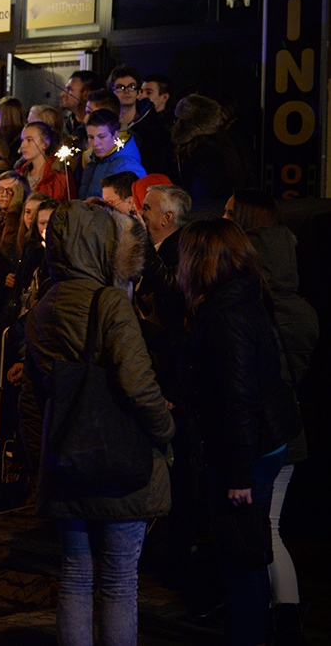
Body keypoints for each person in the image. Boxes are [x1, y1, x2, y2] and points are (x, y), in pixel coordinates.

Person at [25, 201, 174, 646]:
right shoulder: (108, 301)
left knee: (74, 576)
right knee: (119, 581)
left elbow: (33, 395)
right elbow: (138, 382)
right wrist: (165, 430)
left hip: (66, 453)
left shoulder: (43, 305)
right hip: (118, 457)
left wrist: (41, 456)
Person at [176, 219, 303, 646]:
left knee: (242, 560)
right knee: (248, 551)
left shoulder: (225, 314)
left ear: (200, 260)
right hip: (262, 443)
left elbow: (236, 401)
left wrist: (238, 476)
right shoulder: (245, 296)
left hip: (247, 452)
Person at [223, 191, 316, 644]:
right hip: (288, 428)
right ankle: (286, 615)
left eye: (229, 213)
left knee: (262, 531)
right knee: (269, 528)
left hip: (267, 434)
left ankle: (277, 618)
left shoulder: (257, 308)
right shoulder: (300, 307)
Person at [76, 108, 145, 200]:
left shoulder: (127, 166)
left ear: (116, 135)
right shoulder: (91, 162)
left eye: (102, 137)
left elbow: (135, 204)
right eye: (91, 137)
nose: (95, 143)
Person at [17, 121, 75, 202]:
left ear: (46, 143)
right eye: (22, 140)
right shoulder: (21, 172)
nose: (23, 146)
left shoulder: (59, 174)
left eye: (29, 140)